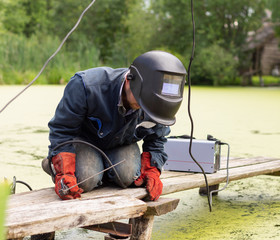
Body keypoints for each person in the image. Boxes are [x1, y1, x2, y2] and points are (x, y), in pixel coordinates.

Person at [42, 50, 187, 201]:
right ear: (130, 80)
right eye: (140, 102)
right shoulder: (85, 86)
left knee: (129, 176)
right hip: (84, 141)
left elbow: (157, 138)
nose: (141, 109)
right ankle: (52, 164)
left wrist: (152, 169)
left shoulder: (156, 105)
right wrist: (64, 172)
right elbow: (62, 130)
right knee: (87, 178)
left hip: (122, 142)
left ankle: (102, 171)